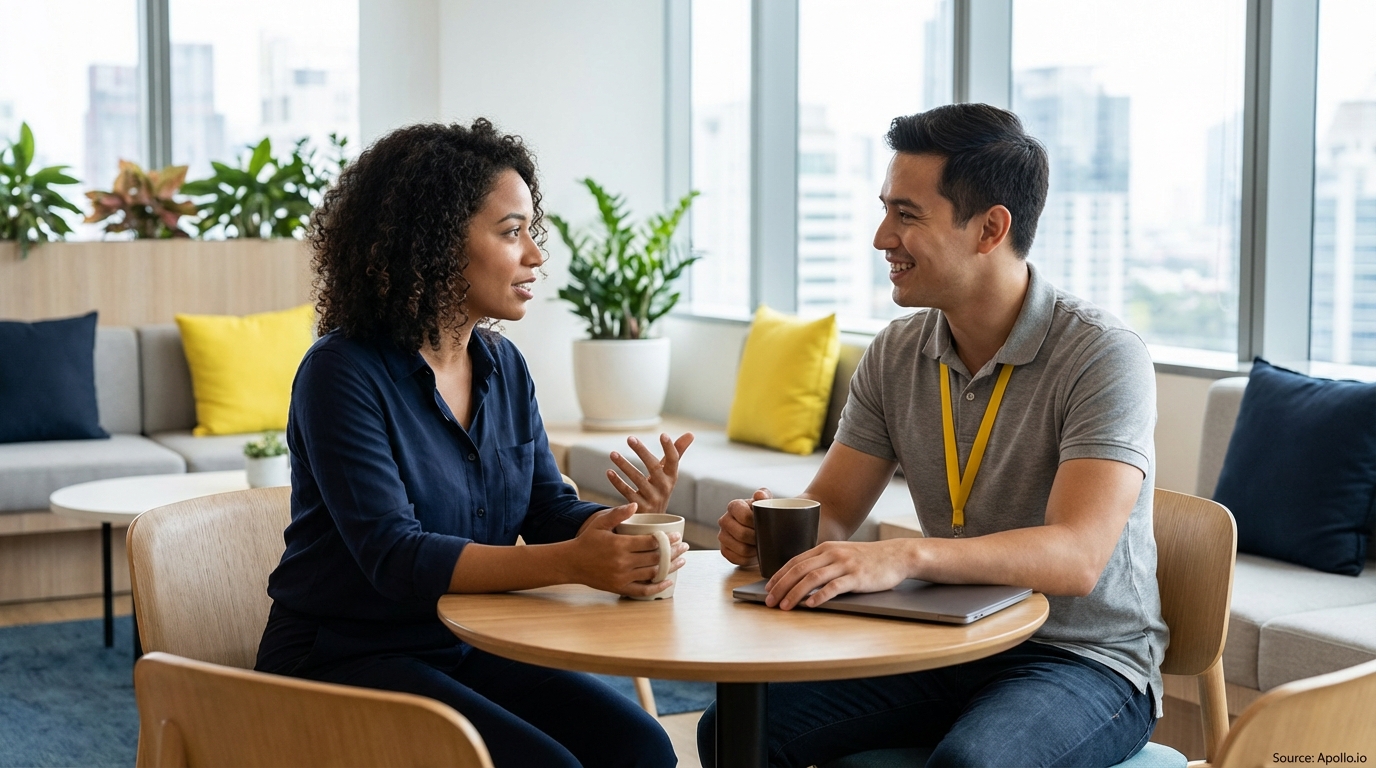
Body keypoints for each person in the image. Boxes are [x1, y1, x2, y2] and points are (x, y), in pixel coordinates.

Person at [701, 103, 1166, 767]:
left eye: (906, 215)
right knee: (734, 729)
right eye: (885, 208)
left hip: (1081, 659)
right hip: (941, 637)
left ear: (990, 229)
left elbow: (1076, 557)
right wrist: (769, 534)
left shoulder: (1101, 354)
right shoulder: (897, 352)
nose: (881, 236)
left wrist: (906, 557)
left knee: (968, 766)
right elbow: (830, 514)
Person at [254, 119, 693, 767]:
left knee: (640, 747)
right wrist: (575, 563)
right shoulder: (341, 373)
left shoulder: (502, 366)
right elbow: (394, 557)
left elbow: (546, 512)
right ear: (430, 242)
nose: (536, 255)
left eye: (529, 232)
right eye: (512, 233)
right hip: (343, 659)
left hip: (465, 643)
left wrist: (621, 528)